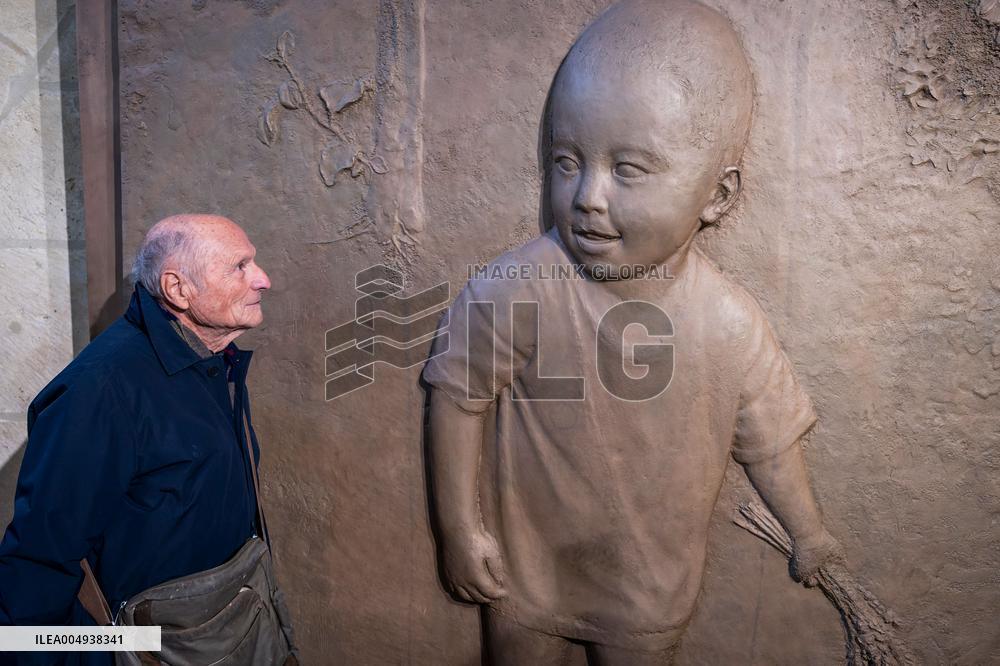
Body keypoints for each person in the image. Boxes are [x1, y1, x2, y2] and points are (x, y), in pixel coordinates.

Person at [422, 1, 845, 664]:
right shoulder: (514, 288)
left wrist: (808, 530)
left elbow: (766, 442)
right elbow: (457, 395)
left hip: (648, 591)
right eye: (567, 161)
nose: (588, 195)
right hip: (528, 580)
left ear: (719, 194)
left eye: (628, 169)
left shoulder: (727, 323)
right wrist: (459, 528)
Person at [0, 215, 294, 665]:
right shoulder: (99, 392)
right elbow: (37, 568)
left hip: (226, 633)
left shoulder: (212, 359)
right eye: (239, 266)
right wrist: (110, 653)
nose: (263, 279)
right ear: (178, 289)